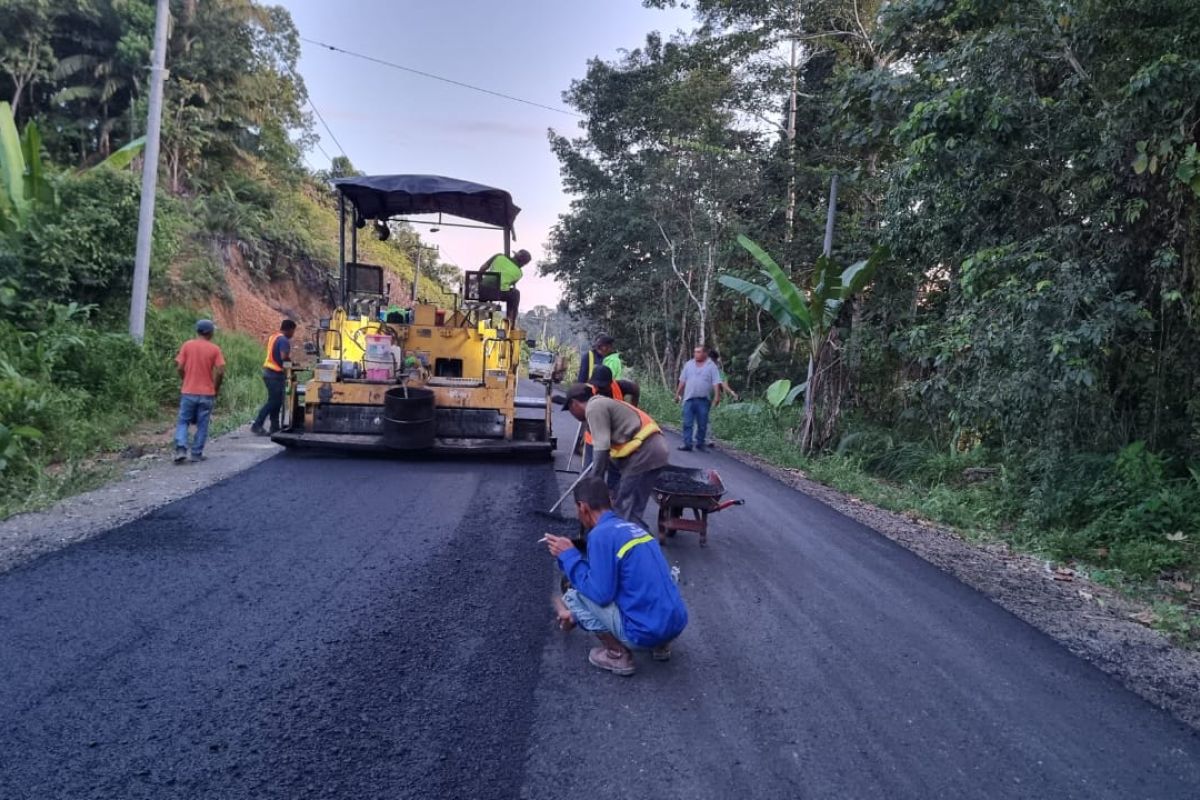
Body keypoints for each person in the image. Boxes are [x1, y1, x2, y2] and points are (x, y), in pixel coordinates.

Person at [543, 476, 688, 676]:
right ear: (610, 501)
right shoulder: (635, 529)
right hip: (676, 623)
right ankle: (661, 646)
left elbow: (601, 595)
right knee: (655, 577)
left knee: (574, 593)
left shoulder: (600, 535)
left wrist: (569, 556)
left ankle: (617, 654)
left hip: (644, 632)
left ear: (582, 507)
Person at [564, 382, 669, 529]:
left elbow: (601, 450)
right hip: (654, 451)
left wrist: (594, 487)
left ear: (574, 404)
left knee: (623, 507)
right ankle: (636, 544)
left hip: (645, 452)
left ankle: (631, 545)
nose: (572, 415)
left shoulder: (594, 408)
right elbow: (610, 453)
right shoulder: (603, 404)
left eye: (569, 409)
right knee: (632, 508)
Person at [581, 365, 641, 491]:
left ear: (610, 383)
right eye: (598, 385)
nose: (599, 388)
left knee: (614, 472)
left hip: (617, 438)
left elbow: (635, 389)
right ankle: (593, 497)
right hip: (594, 438)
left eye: (603, 385)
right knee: (593, 472)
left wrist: (634, 408)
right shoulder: (588, 390)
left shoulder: (620, 386)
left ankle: (610, 498)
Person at [173, 319, 225, 463]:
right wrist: (216, 388)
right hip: (207, 393)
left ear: (198, 331)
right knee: (203, 424)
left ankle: (181, 448)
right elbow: (220, 371)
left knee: (183, 421)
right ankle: (196, 453)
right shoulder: (215, 349)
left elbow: (179, 367)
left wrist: (185, 379)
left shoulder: (187, 345)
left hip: (188, 391)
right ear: (210, 333)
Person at [251, 319, 297, 436]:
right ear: (290, 329)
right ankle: (257, 425)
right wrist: (292, 365)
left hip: (269, 373)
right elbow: (283, 357)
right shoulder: (284, 340)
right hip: (274, 375)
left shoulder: (274, 337)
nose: (293, 334)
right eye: (293, 331)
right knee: (273, 401)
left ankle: (274, 427)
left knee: (276, 401)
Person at [675, 345, 722, 452]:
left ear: (705, 353)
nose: (696, 354)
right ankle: (687, 444)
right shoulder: (689, 364)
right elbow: (682, 380)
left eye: (699, 352)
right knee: (687, 423)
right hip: (689, 398)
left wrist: (717, 396)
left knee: (702, 424)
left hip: (703, 400)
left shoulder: (711, 366)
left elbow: (716, 382)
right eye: (695, 352)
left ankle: (700, 444)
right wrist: (677, 394)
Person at [483, 248, 531, 325]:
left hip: (482, 291)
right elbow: (509, 284)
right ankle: (510, 322)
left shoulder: (498, 256)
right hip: (498, 294)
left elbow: (482, 268)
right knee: (515, 293)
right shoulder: (519, 273)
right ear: (523, 263)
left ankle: (482, 319)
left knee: (487, 286)